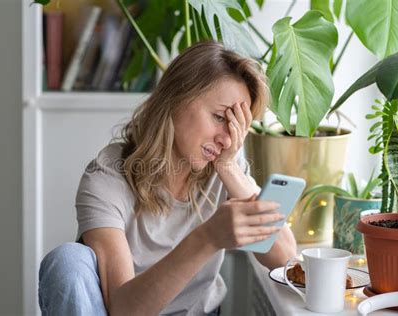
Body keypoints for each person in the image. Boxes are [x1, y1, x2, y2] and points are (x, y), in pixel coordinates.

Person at [38, 40, 297, 316]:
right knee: (67, 261)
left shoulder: (224, 166)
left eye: (237, 126)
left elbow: (286, 260)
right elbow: (124, 310)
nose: (226, 138)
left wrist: (230, 167)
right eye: (220, 117)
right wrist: (207, 238)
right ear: (177, 98)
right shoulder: (108, 176)